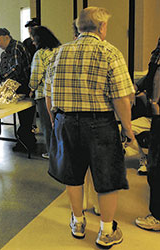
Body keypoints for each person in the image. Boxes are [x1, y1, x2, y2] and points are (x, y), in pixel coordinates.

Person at [44, 7, 135, 248]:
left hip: (65, 120)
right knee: (106, 177)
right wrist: (127, 129)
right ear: (102, 27)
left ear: (78, 27)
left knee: (73, 175)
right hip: (99, 123)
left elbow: (48, 94)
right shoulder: (110, 52)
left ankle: (78, 221)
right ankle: (106, 231)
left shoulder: (59, 53)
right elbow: (121, 98)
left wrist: (56, 121)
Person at [0, 28, 36, 152]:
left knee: (25, 117)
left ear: (6, 37)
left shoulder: (15, 48)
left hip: (24, 86)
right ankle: (28, 141)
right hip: (21, 85)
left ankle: (26, 144)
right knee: (25, 118)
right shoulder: (10, 49)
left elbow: (16, 69)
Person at [135, 38, 160, 231]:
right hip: (156, 116)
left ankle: (158, 217)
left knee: (156, 166)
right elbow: (150, 77)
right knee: (154, 166)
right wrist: (134, 87)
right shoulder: (157, 54)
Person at [28, 26, 61, 159]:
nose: (33, 42)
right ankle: (62, 151)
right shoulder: (60, 50)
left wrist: (31, 88)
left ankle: (51, 152)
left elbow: (36, 76)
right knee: (59, 124)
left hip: (44, 94)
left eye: (33, 39)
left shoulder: (40, 54)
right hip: (60, 93)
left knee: (47, 125)